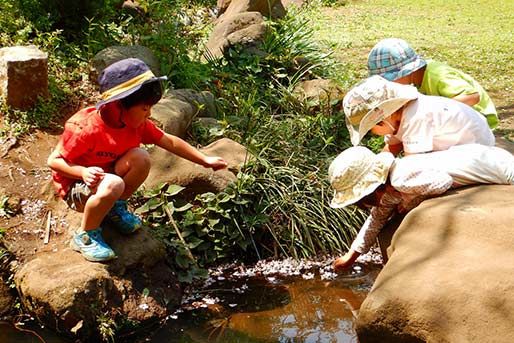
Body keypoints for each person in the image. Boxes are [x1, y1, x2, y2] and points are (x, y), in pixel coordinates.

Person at [47, 58, 228, 262]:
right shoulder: (85, 129)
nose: (149, 113)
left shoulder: (136, 125)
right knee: (113, 184)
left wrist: (205, 160)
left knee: (141, 157)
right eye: (144, 108)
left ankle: (114, 207)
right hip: (78, 187)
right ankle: (86, 235)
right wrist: (82, 172)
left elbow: (169, 141)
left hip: (106, 181)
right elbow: (54, 161)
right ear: (118, 105)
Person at [328, 144, 514, 271]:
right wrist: (351, 257)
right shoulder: (389, 188)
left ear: (370, 190)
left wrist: (409, 204)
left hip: (498, 167)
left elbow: (442, 182)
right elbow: (376, 219)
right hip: (485, 155)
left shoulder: (401, 179)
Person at [343, 75, 494, 155]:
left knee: (407, 174)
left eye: (371, 130)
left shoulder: (416, 117)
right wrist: (378, 165)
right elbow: (392, 145)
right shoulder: (399, 116)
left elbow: (413, 162)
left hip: (474, 148)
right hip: (456, 144)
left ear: (383, 119)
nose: (374, 134)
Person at [367, 38, 498, 129]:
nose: (389, 85)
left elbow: (472, 97)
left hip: (478, 121)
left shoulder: (437, 74)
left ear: (406, 71)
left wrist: (431, 111)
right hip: (449, 122)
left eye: (390, 80)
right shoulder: (413, 82)